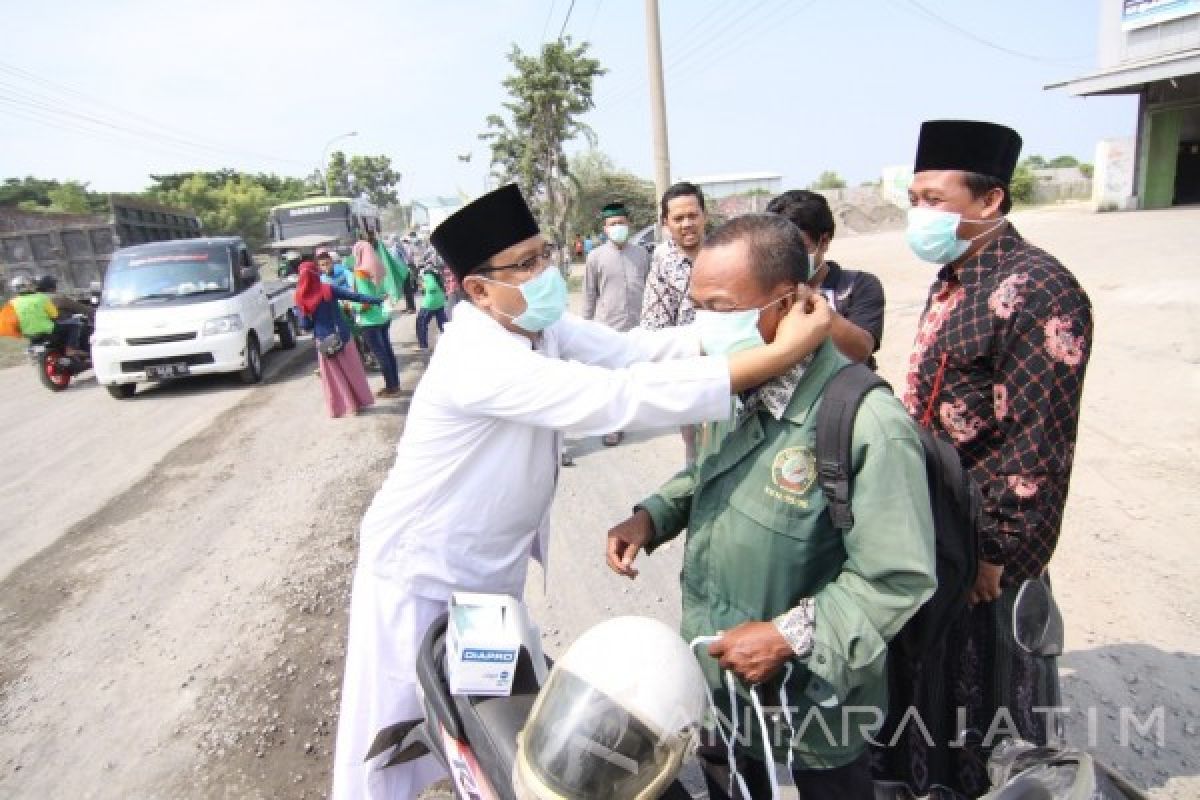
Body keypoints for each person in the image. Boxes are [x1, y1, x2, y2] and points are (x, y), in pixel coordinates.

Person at [331, 184, 832, 800]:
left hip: (486, 573)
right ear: (477, 289)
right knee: (388, 744)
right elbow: (613, 399)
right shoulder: (475, 356)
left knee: (491, 727)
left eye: (544, 254)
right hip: (421, 572)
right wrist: (779, 354)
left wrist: (743, 332)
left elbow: (631, 352)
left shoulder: (535, 327)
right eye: (525, 263)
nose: (544, 272)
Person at [606, 213, 936, 800]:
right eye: (696, 305)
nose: (703, 324)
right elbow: (711, 471)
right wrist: (654, 513)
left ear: (789, 304)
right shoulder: (732, 387)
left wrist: (786, 636)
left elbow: (896, 577)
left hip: (810, 711)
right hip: (722, 687)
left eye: (721, 307)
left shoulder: (867, 422)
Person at [878, 119, 1094, 798]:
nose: (920, 214)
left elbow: (1039, 442)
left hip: (988, 552)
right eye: (914, 198)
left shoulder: (1040, 290)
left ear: (990, 200)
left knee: (994, 707)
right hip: (936, 534)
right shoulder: (955, 278)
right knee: (931, 702)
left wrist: (997, 553)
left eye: (935, 200)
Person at [766, 190, 886, 369]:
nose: (787, 257)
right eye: (778, 248)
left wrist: (811, 303)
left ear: (824, 241)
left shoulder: (857, 286)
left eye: (799, 248)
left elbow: (860, 351)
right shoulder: (764, 290)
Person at [641, 181, 708, 464]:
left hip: (731, 360)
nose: (687, 224)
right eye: (678, 218)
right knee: (696, 445)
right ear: (665, 222)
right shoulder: (662, 261)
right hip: (687, 366)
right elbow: (654, 325)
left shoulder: (724, 252)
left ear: (705, 215)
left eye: (693, 215)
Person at [582, 200, 651, 447]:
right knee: (610, 381)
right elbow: (589, 294)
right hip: (606, 328)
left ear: (629, 225)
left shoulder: (642, 254)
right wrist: (586, 327)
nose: (617, 227)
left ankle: (632, 416)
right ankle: (612, 426)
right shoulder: (595, 257)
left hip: (637, 326)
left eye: (621, 223)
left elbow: (651, 289)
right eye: (612, 224)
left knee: (633, 376)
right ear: (605, 229)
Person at [295, 260, 384, 418]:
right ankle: (359, 403)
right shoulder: (327, 289)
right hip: (342, 336)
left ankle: (345, 407)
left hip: (324, 341)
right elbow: (354, 296)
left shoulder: (300, 297)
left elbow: (306, 325)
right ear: (316, 273)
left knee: (334, 377)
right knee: (353, 371)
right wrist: (377, 300)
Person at [349, 242, 402, 399]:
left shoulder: (360, 273)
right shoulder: (378, 267)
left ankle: (391, 387)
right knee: (388, 352)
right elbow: (383, 293)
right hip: (383, 317)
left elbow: (365, 300)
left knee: (381, 355)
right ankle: (395, 385)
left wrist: (353, 307)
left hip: (370, 321)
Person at [414, 263, 447, 349]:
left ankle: (423, 346)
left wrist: (423, 285)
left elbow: (431, 287)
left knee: (421, 323)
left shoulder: (426, 275)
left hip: (430, 303)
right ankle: (449, 339)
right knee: (443, 323)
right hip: (440, 300)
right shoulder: (435, 273)